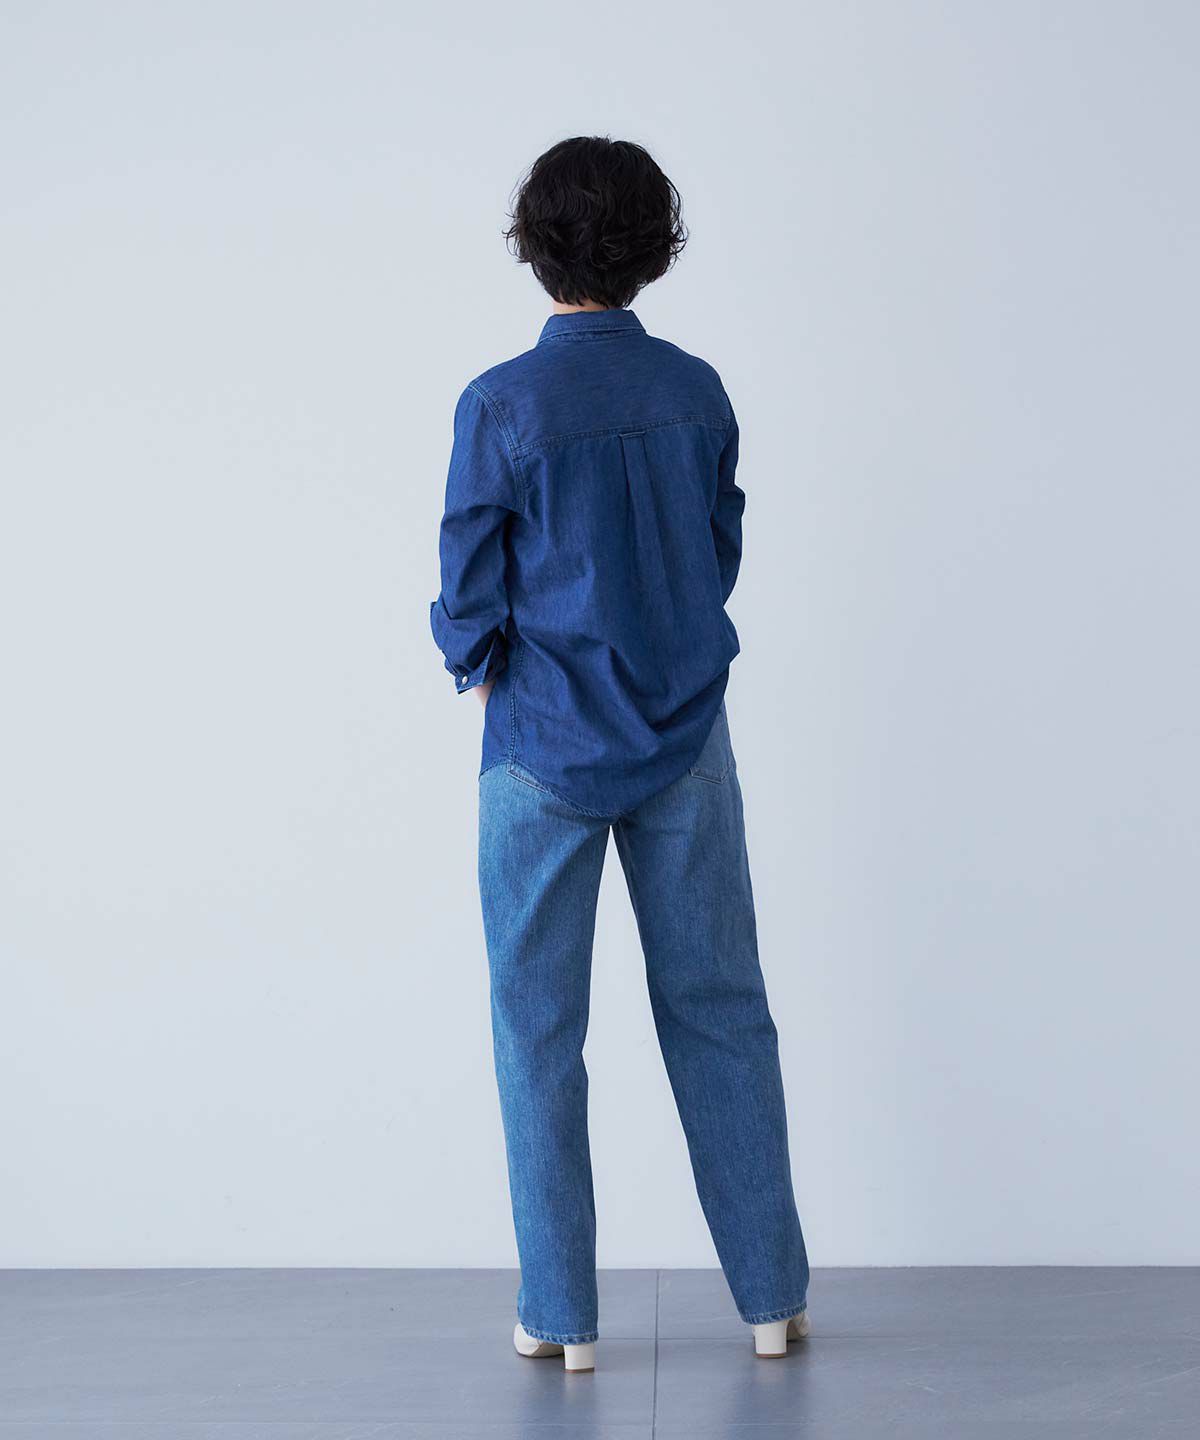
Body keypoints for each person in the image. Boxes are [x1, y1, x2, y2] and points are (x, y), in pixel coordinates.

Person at [429, 136, 809, 1373]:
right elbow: (719, 546)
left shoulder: (501, 404)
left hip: (538, 746)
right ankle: (771, 1302)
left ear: (534, 246)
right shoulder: (697, 391)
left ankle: (560, 1319)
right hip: (686, 732)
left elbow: (466, 578)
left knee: (538, 1032)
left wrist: (475, 657)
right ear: (656, 247)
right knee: (721, 1010)